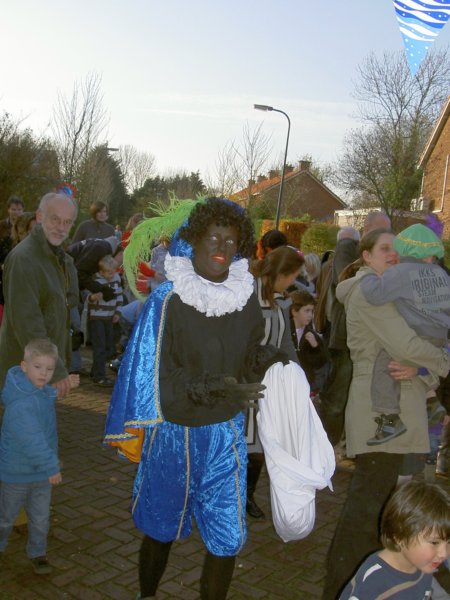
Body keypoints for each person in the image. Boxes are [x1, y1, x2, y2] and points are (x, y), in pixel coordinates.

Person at [104, 197, 266, 600]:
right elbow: (155, 375)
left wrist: (274, 361)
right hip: (173, 433)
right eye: (213, 237)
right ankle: (147, 596)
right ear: (193, 241)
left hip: (224, 434)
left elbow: (250, 355)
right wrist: (211, 386)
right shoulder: (168, 300)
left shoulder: (244, 296)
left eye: (231, 240)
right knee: (160, 528)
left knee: (227, 537)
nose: (222, 247)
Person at [322, 228, 450, 599]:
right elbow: (405, 344)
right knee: (365, 511)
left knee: (379, 507)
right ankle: (340, 589)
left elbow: (413, 355)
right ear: (365, 255)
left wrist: (423, 368)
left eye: (398, 249)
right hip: (379, 414)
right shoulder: (368, 292)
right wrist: (442, 361)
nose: (394, 255)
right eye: (385, 249)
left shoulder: (394, 292)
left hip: (398, 409)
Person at [359, 224, 450, 446]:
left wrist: (368, 277)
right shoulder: (441, 274)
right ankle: (432, 402)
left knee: (384, 365)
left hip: (416, 334)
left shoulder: (400, 272)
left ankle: (390, 419)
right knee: (419, 363)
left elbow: (375, 295)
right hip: (438, 336)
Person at [0, 339, 79, 574]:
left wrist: (63, 387)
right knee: (6, 517)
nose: (44, 374)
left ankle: (37, 552)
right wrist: (52, 467)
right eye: (38, 367)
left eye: (49, 369)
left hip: (40, 474)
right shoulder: (20, 407)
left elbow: (43, 396)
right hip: (18, 474)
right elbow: (33, 441)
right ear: (24, 366)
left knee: (41, 518)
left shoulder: (35, 390)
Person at [0, 192, 78, 399]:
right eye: (55, 219)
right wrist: (56, 369)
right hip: (24, 373)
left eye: (67, 222)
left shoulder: (60, 258)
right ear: (40, 216)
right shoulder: (24, 259)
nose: (61, 227)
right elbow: (28, 322)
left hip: (42, 371)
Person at [247, 245, 304, 519]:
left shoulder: (281, 301)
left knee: (261, 441)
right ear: (281, 273)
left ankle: (246, 494)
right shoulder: (247, 295)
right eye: (293, 276)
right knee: (243, 440)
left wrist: (297, 376)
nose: (293, 282)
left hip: (270, 384)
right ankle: (229, 494)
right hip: (246, 382)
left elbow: (285, 343)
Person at [340, 480, 450, 599]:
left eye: (449, 542)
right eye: (434, 542)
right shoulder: (373, 581)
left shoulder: (423, 565)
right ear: (400, 536)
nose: (444, 553)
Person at [318, 225, 361, 446]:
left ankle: (329, 444)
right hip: (343, 338)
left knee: (335, 394)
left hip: (334, 334)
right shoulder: (346, 254)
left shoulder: (329, 264)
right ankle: (329, 445)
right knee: (338, 396)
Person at [88, 254, 123, 387]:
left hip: (109, 317)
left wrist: (117, 312)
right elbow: (88, 297)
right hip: (97, 317)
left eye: (113, 272)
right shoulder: (95, 281)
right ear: (101, 272)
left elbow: (119, 297)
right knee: (100, 347)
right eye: (108, 272)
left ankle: (95, 371)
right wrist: (93, 298)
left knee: (108, 346)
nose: (111, 275)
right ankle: (99, 376)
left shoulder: (116, 279)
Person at [288, 288, 329, 395]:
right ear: (294, 311)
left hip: (306, 386)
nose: (310, 315)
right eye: (307, 311)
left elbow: (322, 364)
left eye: (312, 311)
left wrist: (316, 347)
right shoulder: (284, 332)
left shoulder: (313, 336)